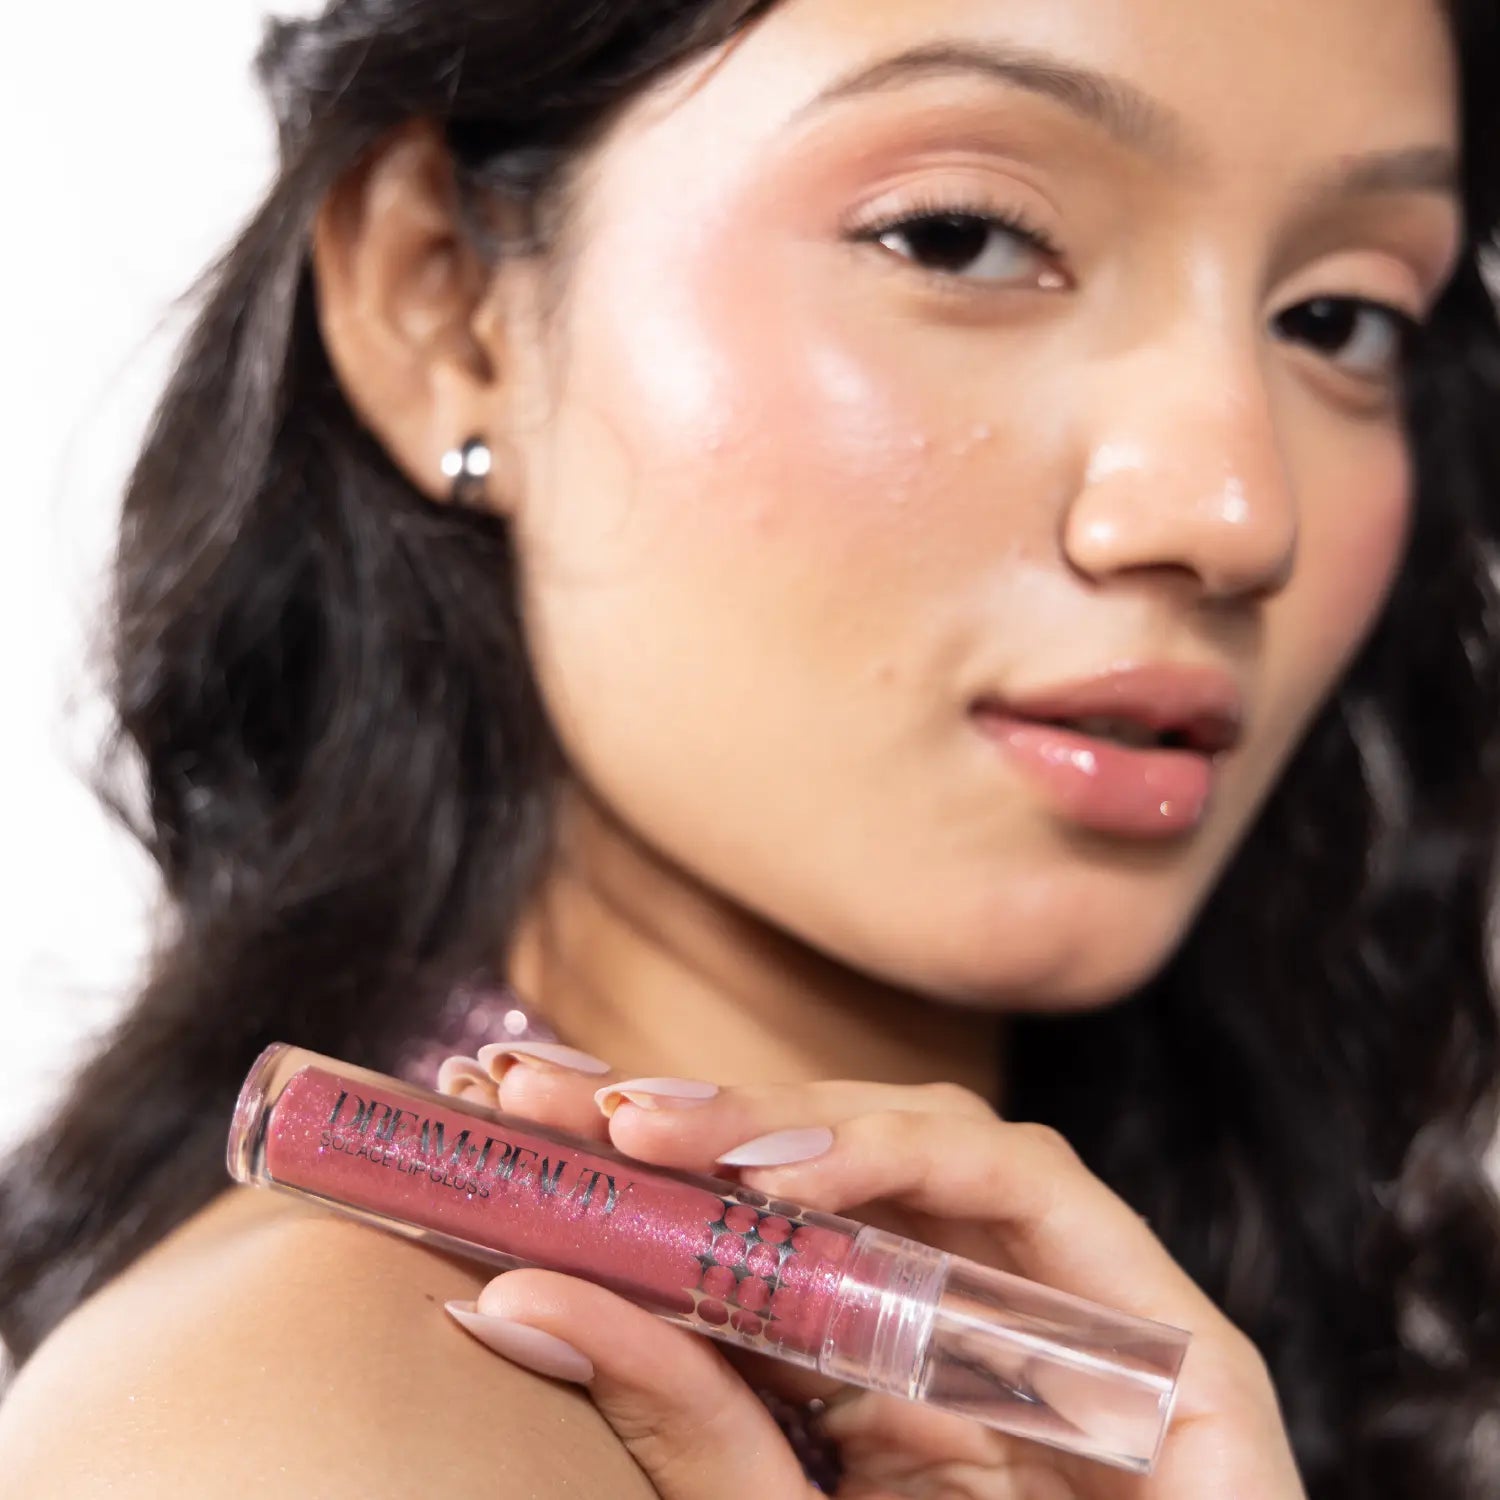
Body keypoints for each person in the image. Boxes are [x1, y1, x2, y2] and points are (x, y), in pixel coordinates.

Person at [2, 0, 1499, 1493]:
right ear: (444, 304)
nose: (1234, 514)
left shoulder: (1246, 1328)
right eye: (961, 238)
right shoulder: (319, 1424)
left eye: (1340, 320)